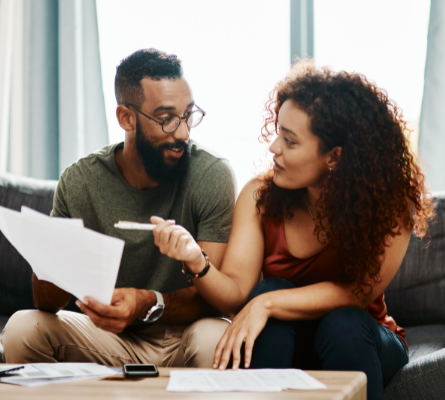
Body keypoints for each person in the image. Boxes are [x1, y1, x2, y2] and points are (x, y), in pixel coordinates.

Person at [150, 60, 434, 400]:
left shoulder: (389, 202)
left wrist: (266, 303)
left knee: (342, 323)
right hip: (287, 344)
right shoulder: (260, 195)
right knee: (270, 290)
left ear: (335, 156)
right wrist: (196, 260)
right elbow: (237, 292)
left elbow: (356, 293)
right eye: (277, 132)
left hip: (361, 341)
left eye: (290, 140)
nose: (274, 148)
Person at [1, 49, 236, 368]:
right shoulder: (80, 181)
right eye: (166, 119)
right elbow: (46, 303)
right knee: (20, 329)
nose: (182, 133)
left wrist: (145, 302)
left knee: (216, 338)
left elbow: (213, 299)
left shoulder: (211, 176)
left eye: (188, 115)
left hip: (183, 336)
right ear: (126, 118)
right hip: (106, 336)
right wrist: (54, 252)